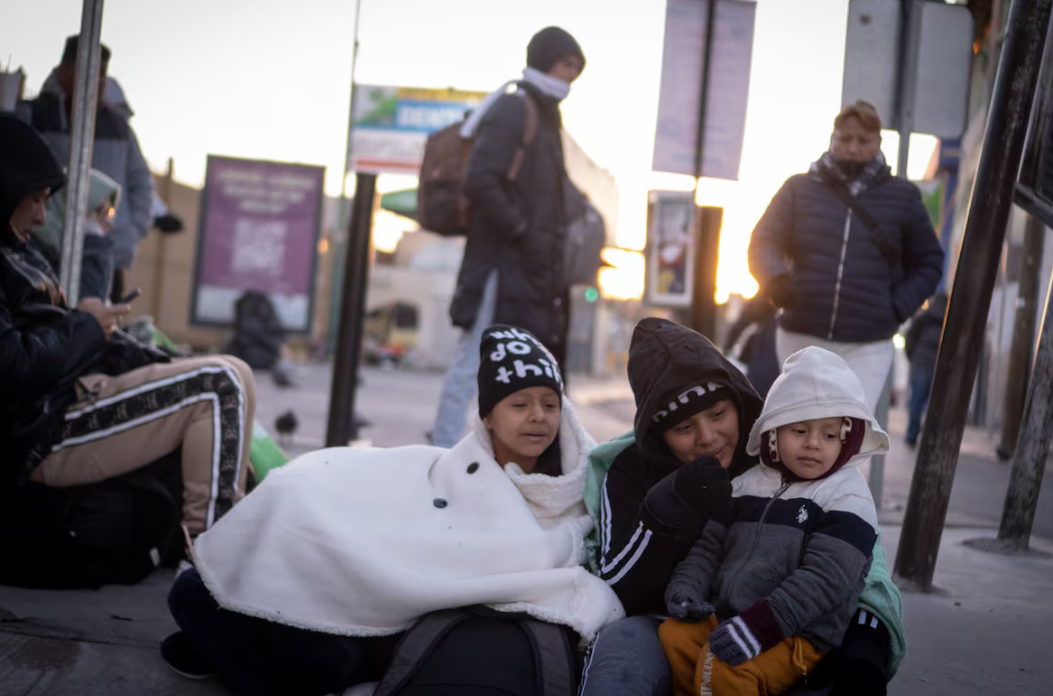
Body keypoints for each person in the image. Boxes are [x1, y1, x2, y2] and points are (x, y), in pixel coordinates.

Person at [164, 324, 624, 696]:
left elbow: (515, 560)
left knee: (316, 659)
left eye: (549, 404)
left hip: (406, 632)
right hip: (367, 589)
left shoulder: (579, 488)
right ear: (487, 417)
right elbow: (408, 516)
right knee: (206, 585)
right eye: (519, 404)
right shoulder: (457, 468)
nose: (538, 416)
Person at [578, 318, 904, 696]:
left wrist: (867, 651)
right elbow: (617, 587)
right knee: (620, 657)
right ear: (657, 432)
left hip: (787, 631)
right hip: (675, 620)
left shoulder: (786, 449)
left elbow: (858, 566)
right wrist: (667, 507)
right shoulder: (628, 471)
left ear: (737, 401)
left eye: (718, 414)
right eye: (684, 428)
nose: (708, 437)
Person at [0, 116, 255, 574]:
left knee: (236, 371)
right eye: (34, 200)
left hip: (68, 397)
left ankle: (220, 552)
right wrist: (86, 326)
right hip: (40, 432)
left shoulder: (17, 249)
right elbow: (13, 366)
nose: (41, 216)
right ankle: (211, 571)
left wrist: (92, 326)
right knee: (218, 385)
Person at [659, 347, 885, 696]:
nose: (813, 444)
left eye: (829, 435)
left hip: (797, 636)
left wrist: (760, 627)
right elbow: (709, 548)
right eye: (799, 430)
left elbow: (825, 580)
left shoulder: (847, 497)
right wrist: (686, 588)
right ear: (774, 434)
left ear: (848, 439)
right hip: (731, 616)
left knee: (724, 669)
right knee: (674, 636)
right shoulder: (746, 484)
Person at [431, 26, 586, 447]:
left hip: (525, 272)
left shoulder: (546, 118)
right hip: (496, 268)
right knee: (471, 365)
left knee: (511, 372)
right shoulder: (516, 109)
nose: (570, 78)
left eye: (576, 70)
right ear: (545, 58)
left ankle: (490, 458)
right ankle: (439, 456)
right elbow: (481, 180)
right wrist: (522, 231)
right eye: (566, 65)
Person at [747, 101, 944, 411]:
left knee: (847, 431)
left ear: (878, 143)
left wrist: (896, 307)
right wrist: (775, 278)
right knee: (794, 423)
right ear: (832, 139)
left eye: (862, 140)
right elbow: (763, 241)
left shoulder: (903, 197)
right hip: (801, 331)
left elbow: (929, 262)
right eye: (843, 139)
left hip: (867, 342)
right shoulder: (798, 189)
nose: (852, 148)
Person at [17, 35, 155, 303]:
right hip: (42, 254)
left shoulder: (120, 129)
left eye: (102, 73)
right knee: (60, 325)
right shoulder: (34, 115)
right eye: (89, 69)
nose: (98, 80)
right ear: (65, 71)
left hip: (104, 252)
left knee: (98, 329)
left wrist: (127, 233)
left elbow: (142, 185)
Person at [104, 76, 185, 234]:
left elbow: (138, 181)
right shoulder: (54, 120)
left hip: (113, 232)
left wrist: (160, 215)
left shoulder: (123, 137)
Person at [31, 167, 120, 301]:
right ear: (82, 206)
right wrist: (94, 240)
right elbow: (88, 302)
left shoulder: (51, 244)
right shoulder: (34, 247)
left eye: (112, 212)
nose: (110, 222)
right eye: (105, 211)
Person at [904, 292, 948, 448]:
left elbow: (909, 340)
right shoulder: (948, 321)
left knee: (916, 400)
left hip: (920, 362)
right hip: (939, 365)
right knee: (936, 404)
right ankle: (931, 438)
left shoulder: (923, 318)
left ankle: (912, 434)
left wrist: (913, 357)